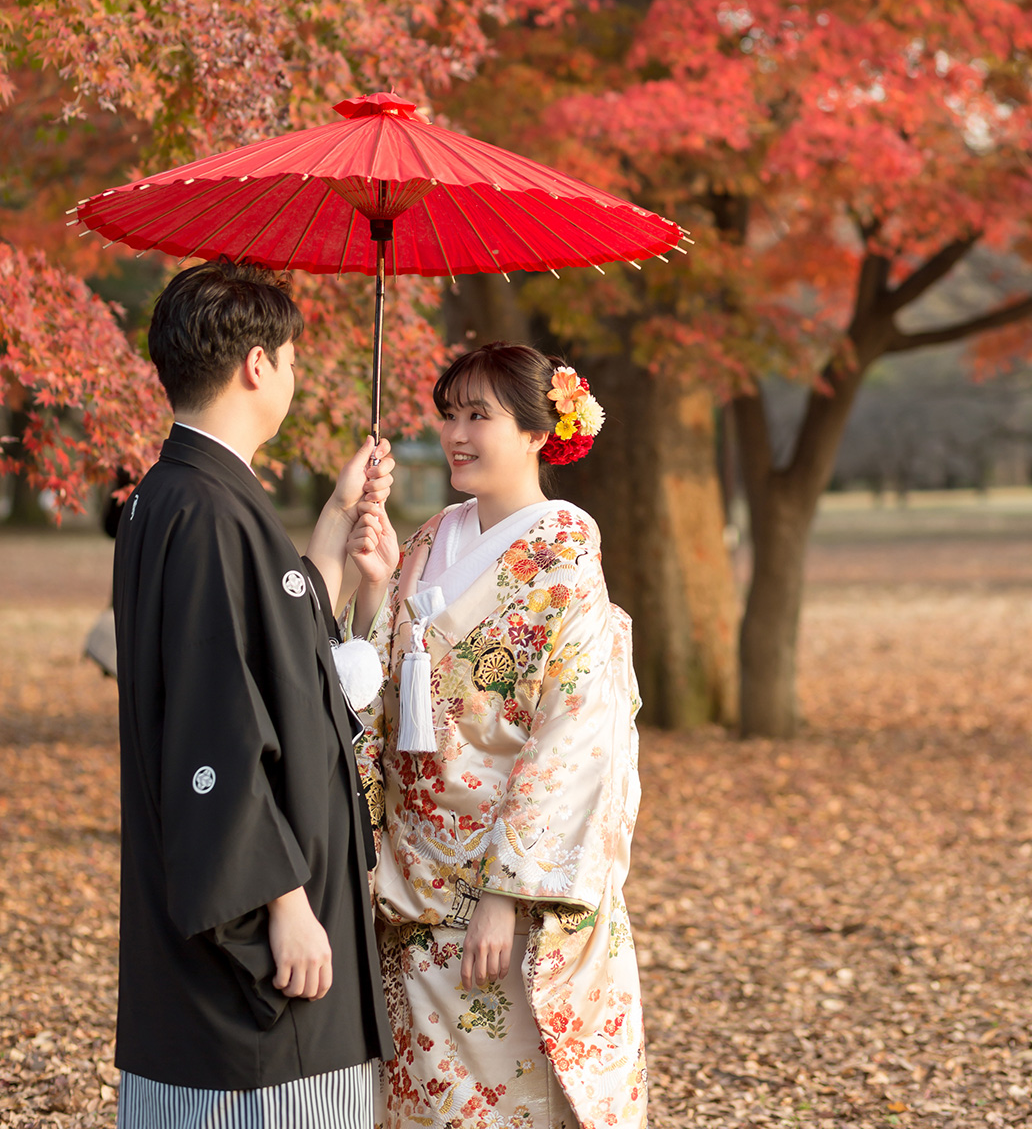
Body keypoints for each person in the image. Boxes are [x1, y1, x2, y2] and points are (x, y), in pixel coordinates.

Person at [113, 258, 399, 1129]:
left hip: (257, 896)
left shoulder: (182, 494)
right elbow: (216, 722)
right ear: (257, 365)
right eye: (293, 357)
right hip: (266, 930)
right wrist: (284, 904)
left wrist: (334, 522)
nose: (295, 375)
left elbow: (267, 643)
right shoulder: (207, 511)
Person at [345, 342, 646, 1129]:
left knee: (509, 1097)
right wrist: (374, 590)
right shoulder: (429, 537)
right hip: (411, 878)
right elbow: (378, 683)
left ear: (540, 432)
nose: (457, 434)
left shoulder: (565, 553)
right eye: (449, 415)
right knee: (425, 1100)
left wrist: (508, 897)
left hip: (502, 881)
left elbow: (575, 733)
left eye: (480, 415)